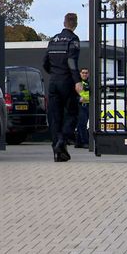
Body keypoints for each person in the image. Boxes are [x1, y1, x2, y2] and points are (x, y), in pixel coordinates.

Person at [43, 13, 83, 162]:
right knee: (73, 113)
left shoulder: (53, 40)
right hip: (66, 81)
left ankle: (58, 152)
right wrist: (77, 81)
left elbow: (45, 62)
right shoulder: (73, 39)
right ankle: (62, 139)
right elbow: (72, 61)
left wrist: (54, 73)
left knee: (55, 117)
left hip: (53, 81)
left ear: (64, 22)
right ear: (76, 24)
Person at [75, 68, 90, 148]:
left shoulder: (89, 83)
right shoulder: (78, 83)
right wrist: (78, 99)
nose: (84, 74)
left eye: (86, 73)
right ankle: (85, 142)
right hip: (81, 105)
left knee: (81, 125)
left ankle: (78, 142)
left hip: (89, 105)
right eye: (83, 73)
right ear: (80, 74)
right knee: (82, 124)